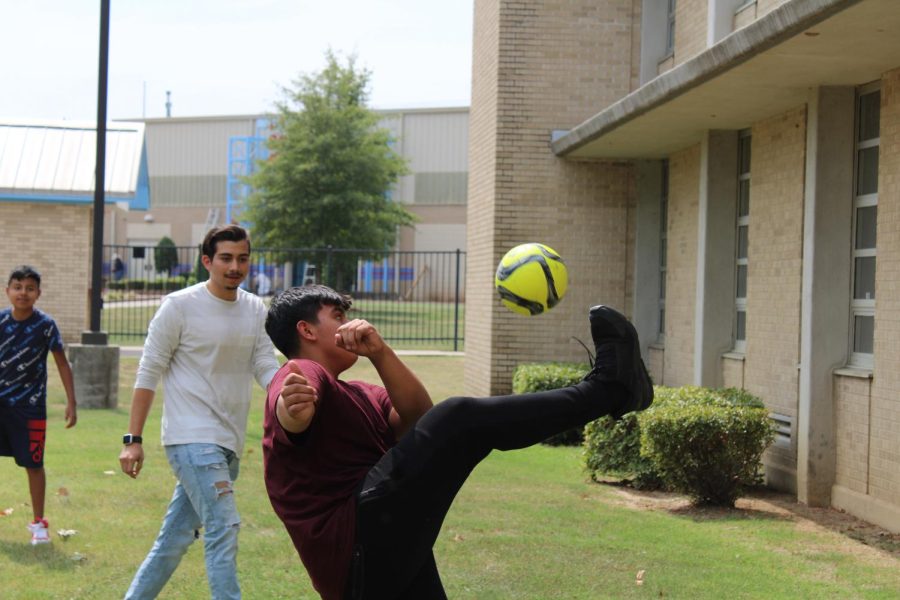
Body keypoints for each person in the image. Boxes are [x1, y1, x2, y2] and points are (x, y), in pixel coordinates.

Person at [261, 284, 653, 599]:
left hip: (368, 564)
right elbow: (291, 411)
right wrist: (292, 412)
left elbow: (419, 419)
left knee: (452, 421)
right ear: (307, 330)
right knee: (460, 416)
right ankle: (610, 389)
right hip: (356, 539)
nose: (350, 322)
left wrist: (380, 353)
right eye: (338, 316)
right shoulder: (302, 371)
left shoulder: (360, 394)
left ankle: (612, 390)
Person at [118, 225, 280, 600]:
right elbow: (149, 370)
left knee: (173, 541)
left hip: (228, 441)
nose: (234, 266)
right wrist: (132, 440)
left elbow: (263, 362)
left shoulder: (255, 308)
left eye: (242, 258)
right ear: (207, 261)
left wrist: (285, 389)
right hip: (190, 438)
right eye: (225, 258)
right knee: (224, 527)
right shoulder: (179, 306)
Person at [0, 265, 77, 545]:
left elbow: (61, 363)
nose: (23, 293)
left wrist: (72, 401)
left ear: (38, 293)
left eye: (29, 288)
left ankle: (38, 523)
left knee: (34, 464)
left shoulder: (45, 325)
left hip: (30, 408)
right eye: (17, 287)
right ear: (7, 291)